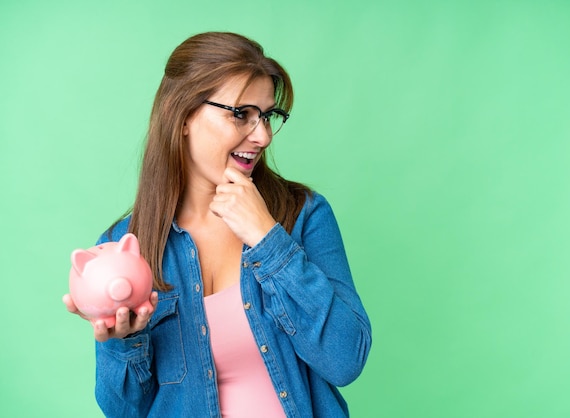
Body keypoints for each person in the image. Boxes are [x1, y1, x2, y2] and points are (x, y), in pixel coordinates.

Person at [63, 31, 372, 418]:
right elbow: (124, 411)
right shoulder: (126, 248)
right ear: (183, 115)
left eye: (267, 116)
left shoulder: (302, 215)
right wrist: (123, 342)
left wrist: (267, 239)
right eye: (241, 113)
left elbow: (346, 360)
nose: (262, 136)